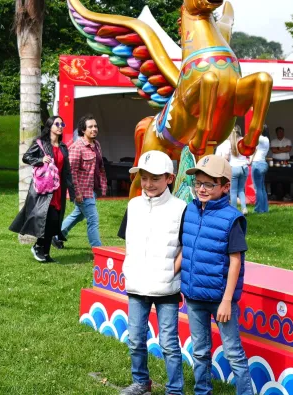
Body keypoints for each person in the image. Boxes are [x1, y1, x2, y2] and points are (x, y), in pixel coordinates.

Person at [115, 151, 186, 395]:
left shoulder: (180, 208)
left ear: (169, 178)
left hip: (166, 288)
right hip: (137, 285)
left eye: (155, 178)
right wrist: (130, 269)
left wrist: (170, 271)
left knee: (168, 344)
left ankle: (175, 389)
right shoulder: (133, 205)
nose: (148, 184)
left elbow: (186, 247)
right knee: (135, 339)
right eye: (144, 177)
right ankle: (141, 382)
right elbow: (129, 241)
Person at [180, 154, 251, 395]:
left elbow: (235, 263)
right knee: (200, 351)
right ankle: (202, 391)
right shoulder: (190, 210)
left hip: (221, 301)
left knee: (234, 354)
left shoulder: (232, 219)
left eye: (209, 184)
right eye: (198, 183)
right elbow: (185, 249)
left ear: (225, 187)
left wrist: (227, 301)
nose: (201, 189)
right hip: (194, 297)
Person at [10, 116, 75, 263]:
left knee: (54, 222)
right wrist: (40, 160)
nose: (60, 126)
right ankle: (38, 246)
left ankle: (45, 253)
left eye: (62, 124)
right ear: (50, 126)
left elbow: (67, 171)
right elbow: (26, 157)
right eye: (57, 124)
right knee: (48, 218)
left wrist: (72, 192)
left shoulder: (63, 147)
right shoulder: (41, 143)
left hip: (58, 189)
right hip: (44, 189)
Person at [55, 114, 107, 249]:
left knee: (78, 215)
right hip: (82, 191)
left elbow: (100, 168)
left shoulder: (97, 145)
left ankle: (56, 236)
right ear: (83, 130)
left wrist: (102, 187)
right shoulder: (77, 147)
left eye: (95, 126)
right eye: (90, 127)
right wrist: (77, 193)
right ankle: (98, 249)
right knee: (93, 219)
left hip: (92, 190)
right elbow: (71, 173)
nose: (94, 129)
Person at [216, 125, 250, 214]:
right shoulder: (244, 140)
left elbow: (226, 157)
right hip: (244, 167)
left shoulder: (229, 142)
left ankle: (234, 210)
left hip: (234, 168)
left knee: (233, 191)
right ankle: (244, 208)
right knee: (241, 190)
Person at [251, 126, 271, 213]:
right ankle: (265, 208)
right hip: (263, 163)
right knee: (262, 187)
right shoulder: (267, 139)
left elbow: (251, 140)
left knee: (258, 188)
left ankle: (258, 209)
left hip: (257, 163)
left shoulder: (260, 138)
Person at [269, 126, 292, 201]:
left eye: (282, 132)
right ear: (276, 133)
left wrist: (278, 148)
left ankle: (287, 195)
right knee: (274, 178)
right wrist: (283, 149)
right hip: (275, 161)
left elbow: (288, 149)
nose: (281, 133)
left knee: (286, 179)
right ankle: (273, 195)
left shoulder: (288, 140)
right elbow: (273, 150)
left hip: (286, 161)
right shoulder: (273, 141)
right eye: (279, 132)